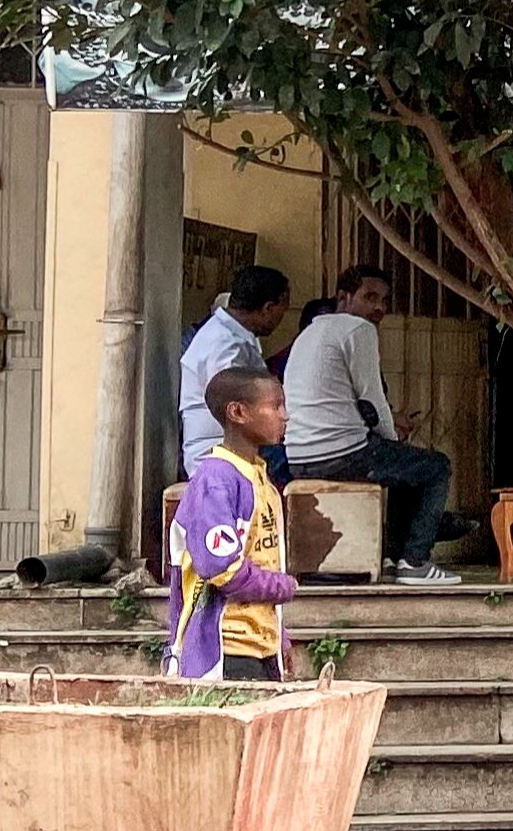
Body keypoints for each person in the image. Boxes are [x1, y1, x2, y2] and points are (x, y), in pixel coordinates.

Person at [280, 265, 461, 584]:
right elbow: (372, 399)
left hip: (299, 457)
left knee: (406, 468)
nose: (379, 307)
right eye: (370, 297)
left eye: (384, 300)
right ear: (343, 297)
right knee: (436, 467)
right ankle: (415, 561)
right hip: (342, 454)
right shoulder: (357, 330)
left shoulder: (309, 333)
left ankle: (394, 558)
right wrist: (393, 437)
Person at [166, 367, 297, 682]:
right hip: (226, 649)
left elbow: (258, 556)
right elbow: (222, 569)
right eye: (275, 405)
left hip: (261, 647)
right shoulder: (216, 480)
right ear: (238, 412)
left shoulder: (260, 477)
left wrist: (279, 632)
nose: (285, 416)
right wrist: (284, 587)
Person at [177, 265, 290, 475]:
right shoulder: (224, 345)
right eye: (280, 313)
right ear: (268, 308)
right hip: (218, 455)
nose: (279, 322)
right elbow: (239, 412)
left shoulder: (232, 336)